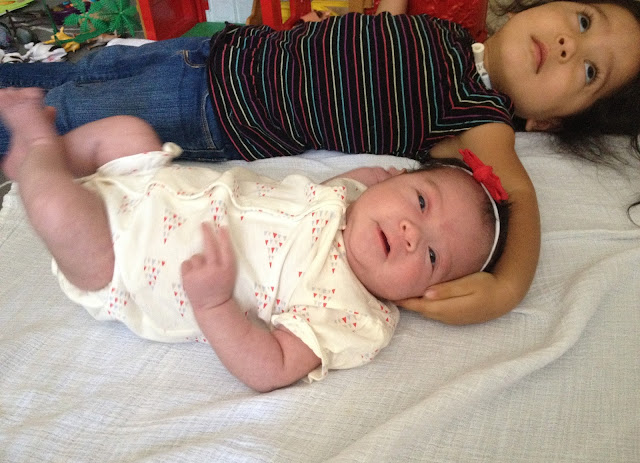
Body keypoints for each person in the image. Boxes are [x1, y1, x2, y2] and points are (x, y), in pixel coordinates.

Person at [1, 1, 639, 325]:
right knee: (79, 69)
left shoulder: (481, 116)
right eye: (584, 20)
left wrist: (506, 289)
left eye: (589, 70)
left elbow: (517, 197)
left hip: (214, 108)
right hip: (218, 52)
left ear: (551, 123)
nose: (568, 43)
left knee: (55, 115)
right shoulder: (451, 38)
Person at [0, 87, 510, 391]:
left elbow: (271, 367)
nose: (410, 232)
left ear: (425, 294)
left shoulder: (352, 314)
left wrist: (216, 303)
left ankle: (38, 152)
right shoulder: (352, 198)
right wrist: (369, 180)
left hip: (124, 258)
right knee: (128, 133)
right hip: (150, 181)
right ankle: (49, 164)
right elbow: (345, 189)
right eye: (420, 202)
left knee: (58, 213)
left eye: (432, 254)